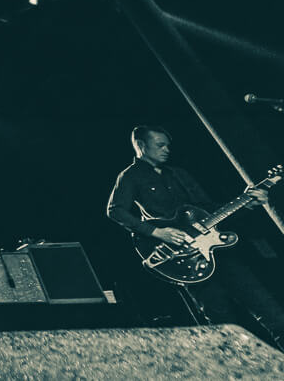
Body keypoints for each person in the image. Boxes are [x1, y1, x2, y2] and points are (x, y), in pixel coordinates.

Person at [106, 125, 284, 350]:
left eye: (168, 145)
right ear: (141, 146)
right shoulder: (130, 176)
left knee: (272, 312)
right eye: (160, 145)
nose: (166, 149)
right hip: (186, 260)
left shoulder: (179, 173)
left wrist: (247, 203)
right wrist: (157, 232)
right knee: (223, 327)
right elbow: (115, 210)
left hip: (220, 253)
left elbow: (209, 210)